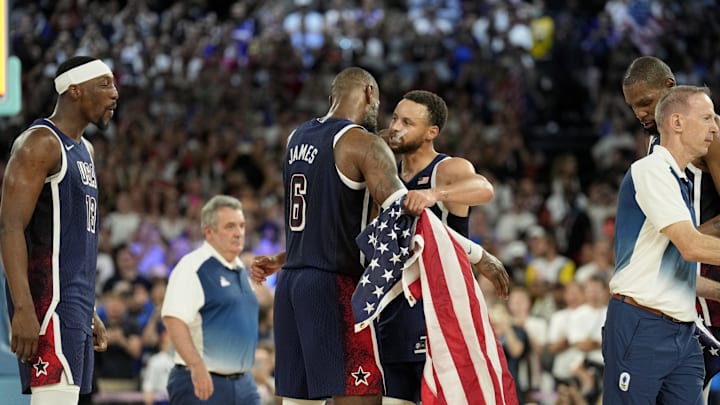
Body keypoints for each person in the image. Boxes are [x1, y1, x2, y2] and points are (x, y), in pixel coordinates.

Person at [250, 67, 435, 405]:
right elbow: (403, 210)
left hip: (292, 284)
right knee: (361, 395)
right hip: (333, 285)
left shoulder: (297, 138)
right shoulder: (365, 143)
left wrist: (281, 258)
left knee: (299, 401)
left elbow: (315, 220)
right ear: (368, 92)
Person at [378, 89, 511, 404]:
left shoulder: (446, 169)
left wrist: (435, 194)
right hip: (394, 307)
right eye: (395, 118)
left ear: (431, 132)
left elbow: (484, 188)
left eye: (408, 122)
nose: (396, 127)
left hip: (438, 311)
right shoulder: (386, 173)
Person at [0, 55, 117, 404]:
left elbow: (73, 241)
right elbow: (10, 227)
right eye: (105, 84)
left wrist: (88, 308)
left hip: (74, 303)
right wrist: (23, 307)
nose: (115, 94)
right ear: (75, 91)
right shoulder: (40, 142)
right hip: (46, 305)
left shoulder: (87, 150)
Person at [603, 85, 720, 404]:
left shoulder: (680, 180)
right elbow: (691, 246)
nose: (715, 126)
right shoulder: (651, 170)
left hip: (682, 331)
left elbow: (675, 271)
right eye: (707, 117)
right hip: (642, 325)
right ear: (677, 122)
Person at [161, 195, 260, 404]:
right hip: (202, 381)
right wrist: (197, 367)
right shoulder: (193, 267)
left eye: (242, 226)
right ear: (209, 231)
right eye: (230, 226)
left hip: (244, 384)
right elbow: (173, 319)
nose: (238, 233)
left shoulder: (241, 268)